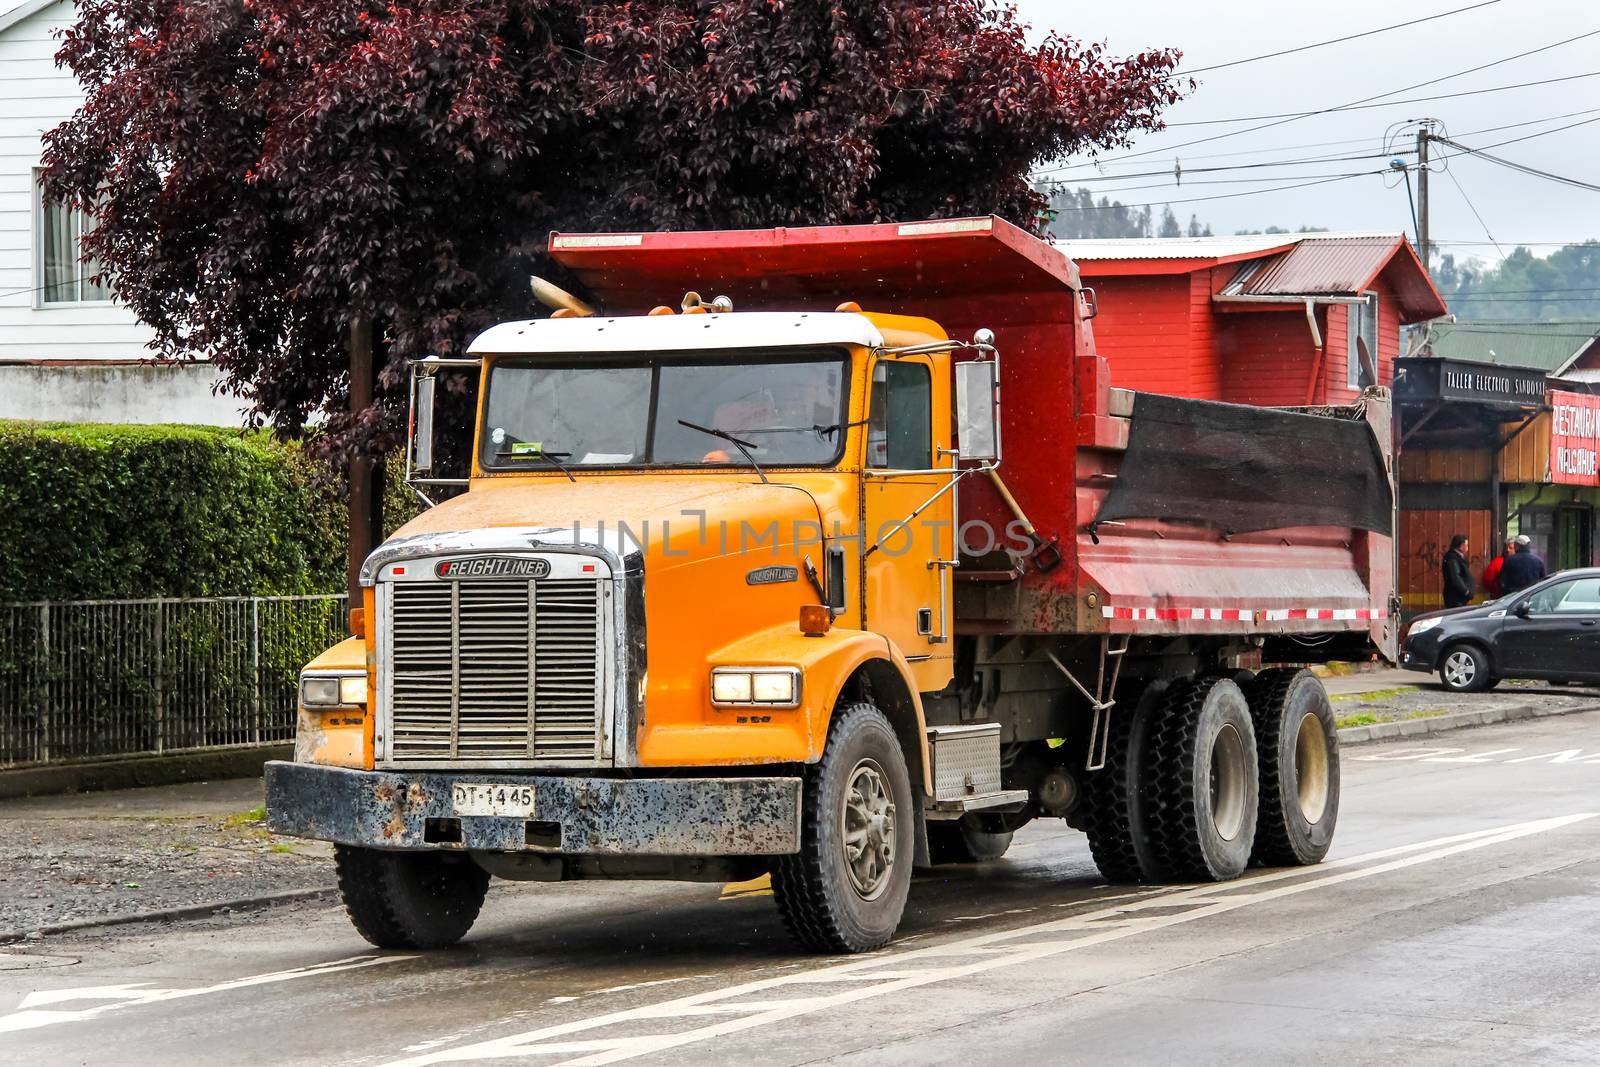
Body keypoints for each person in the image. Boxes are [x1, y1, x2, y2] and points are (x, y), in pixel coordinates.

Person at [1441, 534, 1474, 609]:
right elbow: (1456, 577)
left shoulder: (1456, 557)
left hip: (1458, 597)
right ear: (1461, 546)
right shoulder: (1452, 558)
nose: (1467, 548)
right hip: (1455, 598)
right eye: (1466, 545)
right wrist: (1466, 591)